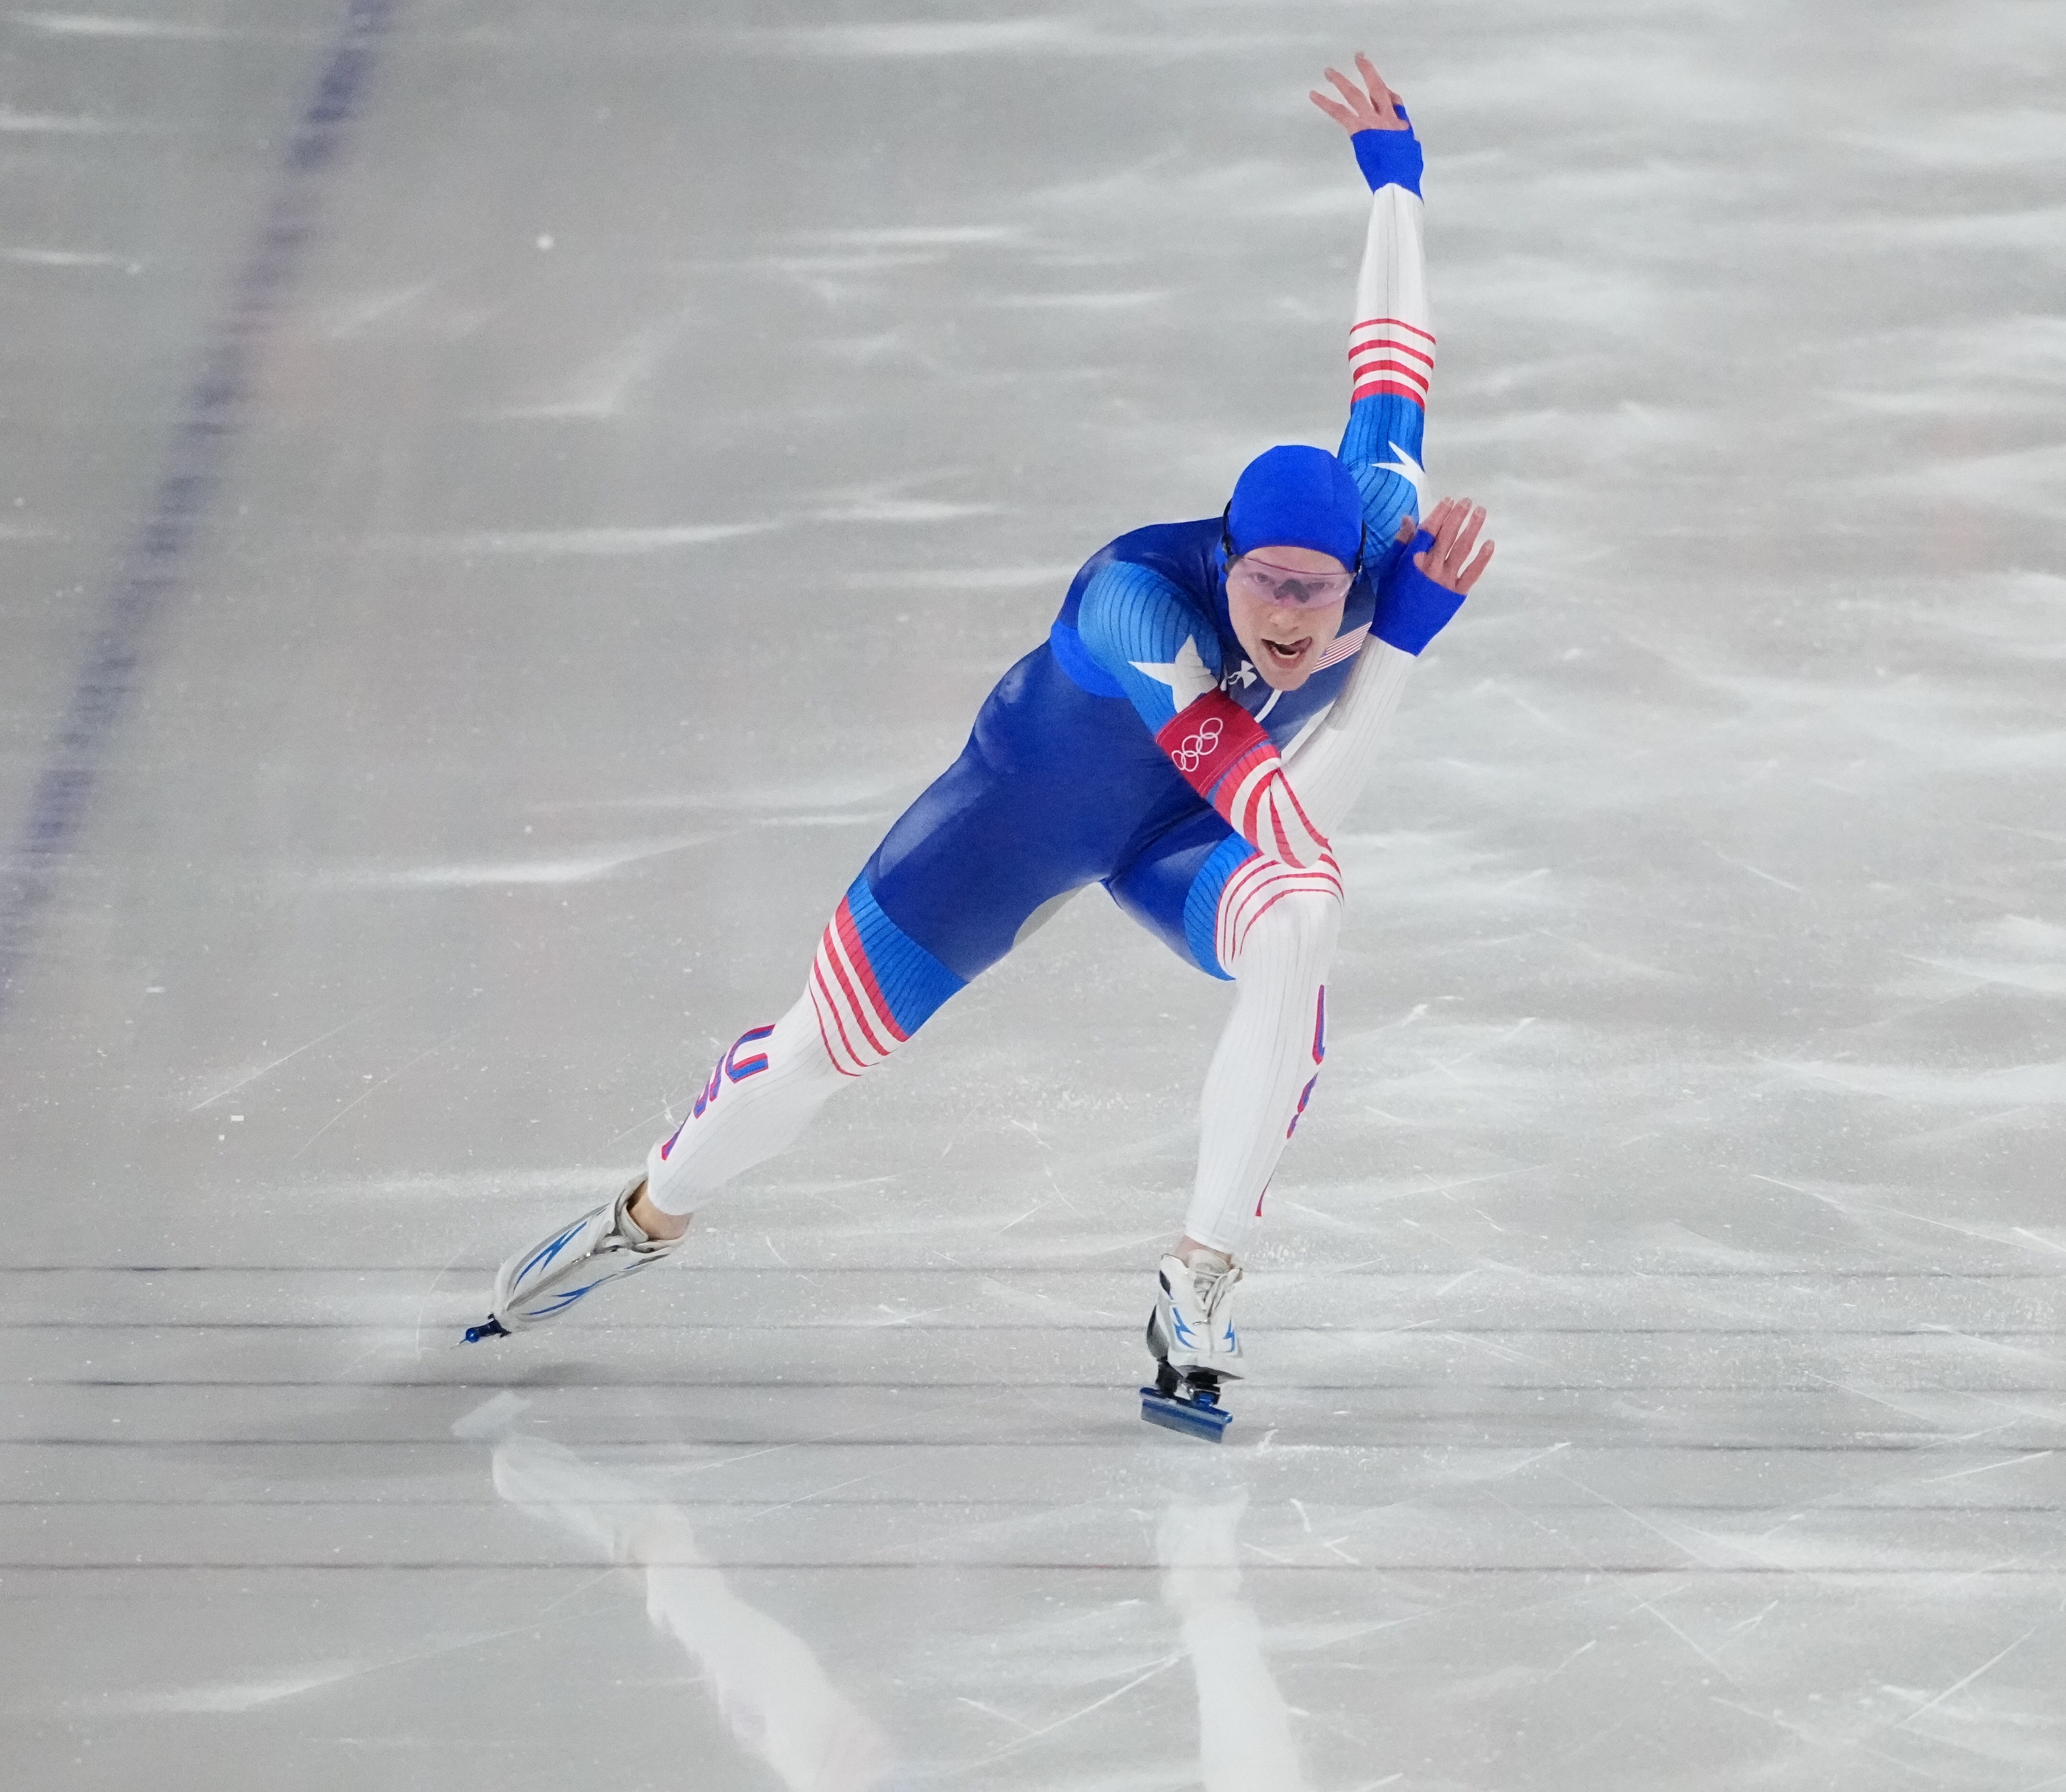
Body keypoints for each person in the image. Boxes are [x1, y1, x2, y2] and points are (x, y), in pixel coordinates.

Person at [466, 55, 1493, 1435]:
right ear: (1227, 562)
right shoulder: (1142, 600)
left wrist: (1398, 183)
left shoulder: (1379, 527)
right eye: (1271, 589)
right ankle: (646, 1215)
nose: (1301, 623)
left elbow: (1393, 359)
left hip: (1180, 840)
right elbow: (1294, 810)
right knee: (817, 1061)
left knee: (1303, 921)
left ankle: (1198, 1280)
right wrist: (1406, 647)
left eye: (1327, 595)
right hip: (1013, 825)